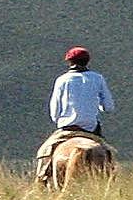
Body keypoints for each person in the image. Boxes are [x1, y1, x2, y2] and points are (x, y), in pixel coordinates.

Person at [34, 46, 114, 175]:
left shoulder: (62, 80)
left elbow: (55, 112)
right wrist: (96, 105)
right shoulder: (97, 78)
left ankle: (41, 180)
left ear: (70, 62)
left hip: (67, 128)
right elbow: (109, 107)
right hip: (91, 128)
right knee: (108, 155)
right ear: (87, 61)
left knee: (44, 152)